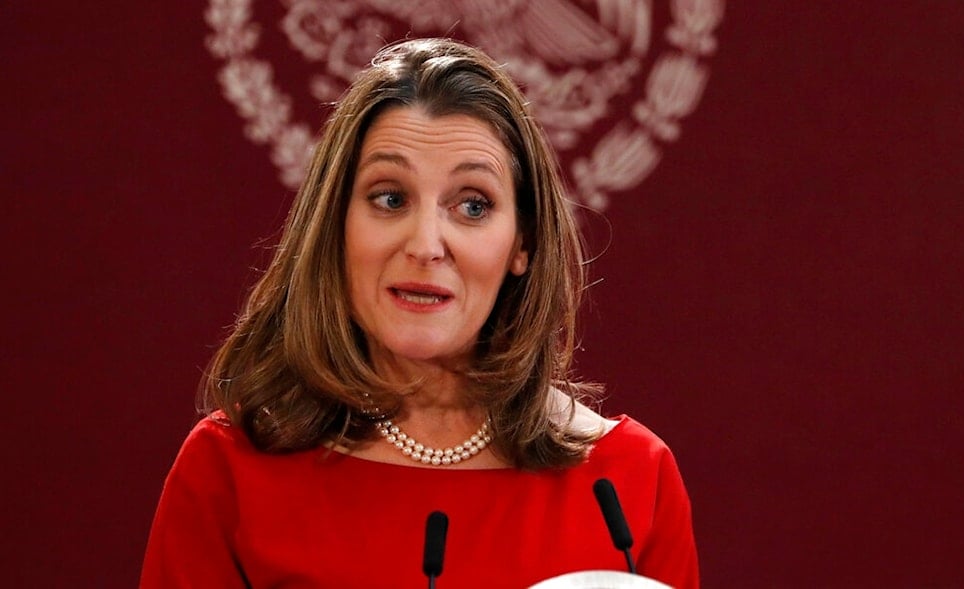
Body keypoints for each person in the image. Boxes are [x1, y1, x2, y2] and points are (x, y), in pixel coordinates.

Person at [140, 37, 698, 588]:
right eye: (390, 198)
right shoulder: (229, 472)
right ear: (336, 224)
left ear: (522, 243)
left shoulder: (628, 483)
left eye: (472, 205)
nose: (426, 244)